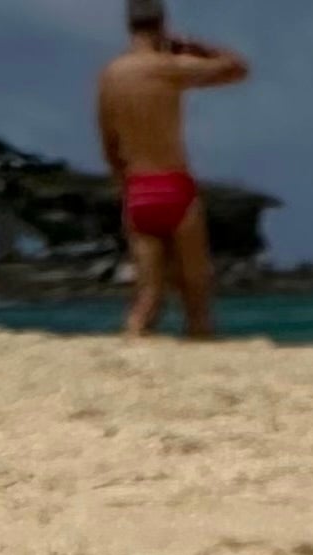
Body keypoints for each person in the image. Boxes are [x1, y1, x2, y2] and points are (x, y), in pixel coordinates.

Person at [98, 2, 250, 343]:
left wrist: (124, 185)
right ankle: (200, 350)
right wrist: (192, 45)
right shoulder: (170, 67)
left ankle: (131, 348)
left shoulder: (111, 75)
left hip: (138, 187)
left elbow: (109, 144)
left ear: (128, 26)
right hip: (174, 185)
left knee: (147, 297)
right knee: (195, 296)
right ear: (163, 23)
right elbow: (238, 68)